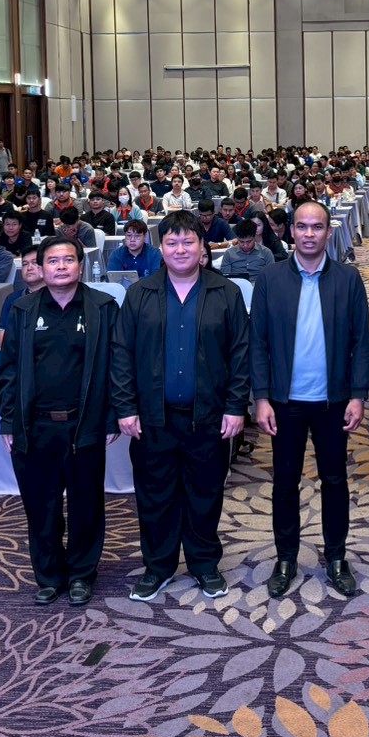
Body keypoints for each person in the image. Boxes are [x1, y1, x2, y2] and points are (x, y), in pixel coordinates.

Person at [111, 210, 251, 602]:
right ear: (161, 248)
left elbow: (241, 354)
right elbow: (121, 354)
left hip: (208, 417)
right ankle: (158, 567)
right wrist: (125, 407)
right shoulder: (140, 294)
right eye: (172, 242)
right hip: (153, 418)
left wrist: (236, 406)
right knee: (155, 497)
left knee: (205, 494)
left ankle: (205, 565)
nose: (180, 249)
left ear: (203, 247)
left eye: (188, 241)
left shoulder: (226, 293)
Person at [250, 200, 369, 600]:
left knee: (335, 480)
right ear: (290, 231)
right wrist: (261, 397)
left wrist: (358, 395)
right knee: (285, 482)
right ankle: (285, 558)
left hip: (333, 401)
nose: (308, 233)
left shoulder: (348, 279)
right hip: (284, 402)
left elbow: (361, 342)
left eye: (316, 227)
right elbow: (258, 343)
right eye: (301, 226)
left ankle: (336, 557)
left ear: (328, 232)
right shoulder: (270, 279)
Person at [0, 236, 120, 606]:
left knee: (86, 504)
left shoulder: (103, 307)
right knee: (41, 505)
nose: (61, 267)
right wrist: (8, 421)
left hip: (85, 424)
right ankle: (49, 575)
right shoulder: (23, 309)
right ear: (40, 267)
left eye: (68, 260)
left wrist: (112, 417)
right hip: (35, 426)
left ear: (81, 265)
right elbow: (8, 371)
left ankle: (82, 574)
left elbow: (118, 367)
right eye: (52, 261)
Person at [0, 246, 46, 346]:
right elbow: (3, 339)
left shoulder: (58, 297)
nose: (29, 268)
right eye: (25, 264)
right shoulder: (13, 299)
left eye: (35, 263)